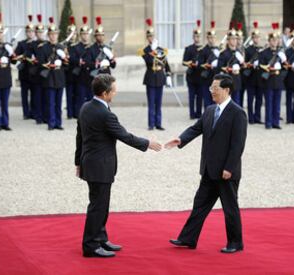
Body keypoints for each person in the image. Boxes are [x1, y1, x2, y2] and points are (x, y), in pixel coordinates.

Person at [75, 74, 162, 258]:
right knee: (98, 206)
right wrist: (148, 143)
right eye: (114, 90)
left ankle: (100, 237)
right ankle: (90, 246)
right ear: (105, 93)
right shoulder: (106, 114)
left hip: (90, 163)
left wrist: (78, 162)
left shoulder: (85, 107)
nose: (116, 92)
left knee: (101, 204)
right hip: (100, 166)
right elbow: (124, 136)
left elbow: (79, 138)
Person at [166, 73, 247, 254]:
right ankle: (188, 238)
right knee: (200, 204)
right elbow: (197, 128)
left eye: (215, 89)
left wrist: (229, 167)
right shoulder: (210, 110)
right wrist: (180, 140)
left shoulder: (238, 113)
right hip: (209, 170)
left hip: (226, 171)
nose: (211, 91)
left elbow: (237, 144)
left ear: (226, 90)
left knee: (230, 208)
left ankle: (235, 242)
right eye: (211, 88)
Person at [138, 18, 172, 130]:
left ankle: (158, 123)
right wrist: (152, 51)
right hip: (150, 78)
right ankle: (151, 124)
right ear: (147, 38)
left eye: (152, 36)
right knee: (151, 103)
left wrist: (168, 74)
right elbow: (148, 61)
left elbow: (165, 62)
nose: (151, 38)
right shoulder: (145, 50)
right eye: (149, 36)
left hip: (160, 77)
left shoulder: (161, 49)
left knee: (159, 103)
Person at [37, 17, 67, 130]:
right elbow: (40, 63)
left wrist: (64, 60)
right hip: (49, 77)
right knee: (50, 103)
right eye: (51, 34)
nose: (53, 36)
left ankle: (58, 123)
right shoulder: (43, 47)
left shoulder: (62, 47)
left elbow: (67, 64)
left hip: (59, 77)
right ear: (48, 35)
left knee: (58, 103)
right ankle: (51, 123)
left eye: (55, 34)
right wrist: (49, 64)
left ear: (57, 35)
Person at [258, 22, 285, 129]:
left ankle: (276, 122)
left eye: (276, 40)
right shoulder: (264, 53)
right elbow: (261, 66)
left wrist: (282, 65)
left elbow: (285, 67)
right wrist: (270, 68)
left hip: (278, 79)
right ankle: (268, 123)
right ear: (269, 41)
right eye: (272, 40)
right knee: (269, 103)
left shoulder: (280, 53)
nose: (274, 42)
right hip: (269, 80)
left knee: (277, 103)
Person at [13, 15, 36, 120]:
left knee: (34, 95)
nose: (30, 33)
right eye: (28, 31)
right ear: (26, 33)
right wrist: (22, 57)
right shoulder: (21, 44)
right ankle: (26, 113)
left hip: (34, 73)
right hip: (24, 72)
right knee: (24, 95)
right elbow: (15, 56)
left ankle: (33, 112)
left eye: (32, 31)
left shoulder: (37, 44)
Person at [217, 22, 244, 106]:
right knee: (226, 104)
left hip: (237, 80)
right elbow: (219, 67)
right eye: (232, 39)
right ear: (228, 41)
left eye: (236, 39)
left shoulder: (239, 53)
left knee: (237, 104)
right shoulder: (224, 53)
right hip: (227, 82)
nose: (234, 41)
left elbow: (243, 66)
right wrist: (230, 69)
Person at [182, 20, 203, 119]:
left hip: (200, 76)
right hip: (191, 76)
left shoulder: (203, 49)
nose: (197, 38)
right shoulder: (189, 49)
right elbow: (184, 61)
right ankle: (192, 114)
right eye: (195, 36)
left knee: (200, 96)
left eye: (198, 36)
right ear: (193, 37)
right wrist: (190, 63)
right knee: (191, 97)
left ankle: (199, 113)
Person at [244, 21, 263, 124]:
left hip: (260, 77)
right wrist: (251, 64)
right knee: (250, 99)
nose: (256, 39)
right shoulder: (248, 50)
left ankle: (258, 117)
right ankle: (251, 118)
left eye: (258, 37)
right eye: (255, 37)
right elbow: (245, 64)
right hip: (251, 76)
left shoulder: (262, 49)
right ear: (252, 38)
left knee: (259, 99)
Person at [73, 16, 91, 118]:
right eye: (83, 34)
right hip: (80, 76)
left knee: (90, 98)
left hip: (90, 76)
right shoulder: (76, 47)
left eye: (87, 34)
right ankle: (80, 116)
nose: (85, 36)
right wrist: (78, 61)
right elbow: (73, 59)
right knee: (80, 98)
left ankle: (90, 117)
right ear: (80, 35)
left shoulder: (92, 47)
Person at [199, 21, 219, 109]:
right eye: (210, 38)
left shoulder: (218, 50)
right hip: (206, 78)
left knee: (216, 100)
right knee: (207, 101)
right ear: (207, 38)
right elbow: (199, 64)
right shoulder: (203, 50)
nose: (212, 39)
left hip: (215, 79)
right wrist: (207, 65)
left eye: (214, 38)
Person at [63, 16, 78, 119]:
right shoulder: (65, 46)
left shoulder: (79, 46)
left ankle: (76, 112)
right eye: (70, 34)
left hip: (77, 74)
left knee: (77, 94)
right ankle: (69, 113)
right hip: (68, 73)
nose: (72, 36)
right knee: (69, 94)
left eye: (74, 34)